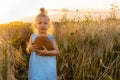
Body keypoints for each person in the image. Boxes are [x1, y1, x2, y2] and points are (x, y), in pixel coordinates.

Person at [26, 8, 60, 80]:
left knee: (48, 77)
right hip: (36, 66)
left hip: (48, 66)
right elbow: (28, 50)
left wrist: (47, 53)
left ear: (49, 25)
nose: (42, 25)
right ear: (35, 25)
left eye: (45, 23)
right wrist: (30, 48)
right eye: (40, 23)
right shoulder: (33, 37)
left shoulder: (51, 38)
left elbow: (57, 52)